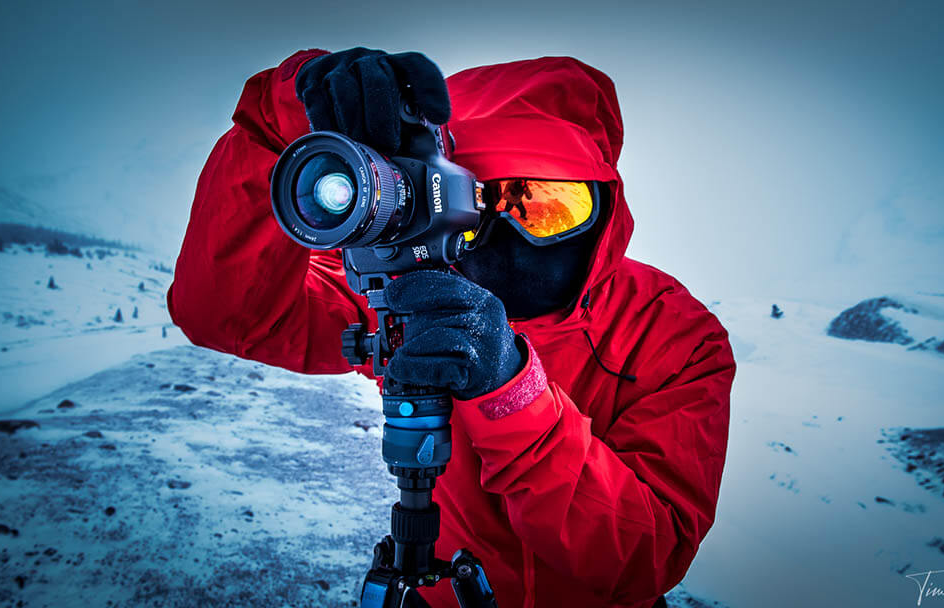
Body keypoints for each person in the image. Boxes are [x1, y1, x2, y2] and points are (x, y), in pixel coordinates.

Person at [168, 47, 735, 608]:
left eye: (549, 206)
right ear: (438, 199)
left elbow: (645, 557)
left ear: (605, 203)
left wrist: (512, 392)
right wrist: (283, 120)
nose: (510, 233)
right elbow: (228, 313)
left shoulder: (674, 333)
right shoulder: (407, 296)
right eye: (477, 201)